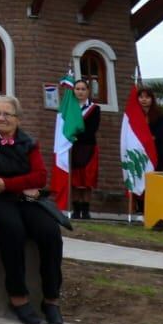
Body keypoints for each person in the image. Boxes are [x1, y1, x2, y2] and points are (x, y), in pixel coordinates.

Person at [0, 94, 65, 324]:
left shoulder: (29, 143)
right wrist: (22, 184)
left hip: (22, 198)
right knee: (12, 230)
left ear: (18, 119)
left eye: (6, 114)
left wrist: (7, 184)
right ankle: (18, 296)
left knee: (50, 231)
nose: (1, 118)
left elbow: (41, 176)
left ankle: (51, 299)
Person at [69, 78, 101, 220]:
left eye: (83, 89)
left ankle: (86, 211)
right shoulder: (69, 108)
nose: (80, 92)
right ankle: (76, 210)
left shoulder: (94, 108)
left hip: (88, 147)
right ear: (73, 91)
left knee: (87, 180)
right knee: (75, 181)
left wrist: (76, 136)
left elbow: (92, 129)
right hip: (73, 147)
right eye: (77, 89)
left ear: (88, 91)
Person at [138, 86, 163, 173]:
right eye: (141, 97)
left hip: (156, 149)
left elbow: (162, 131)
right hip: (139, 149)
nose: (144, 100)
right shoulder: (135, 115)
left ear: (152, 99)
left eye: (147, 97)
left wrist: (151, 139)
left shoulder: (159, 114)